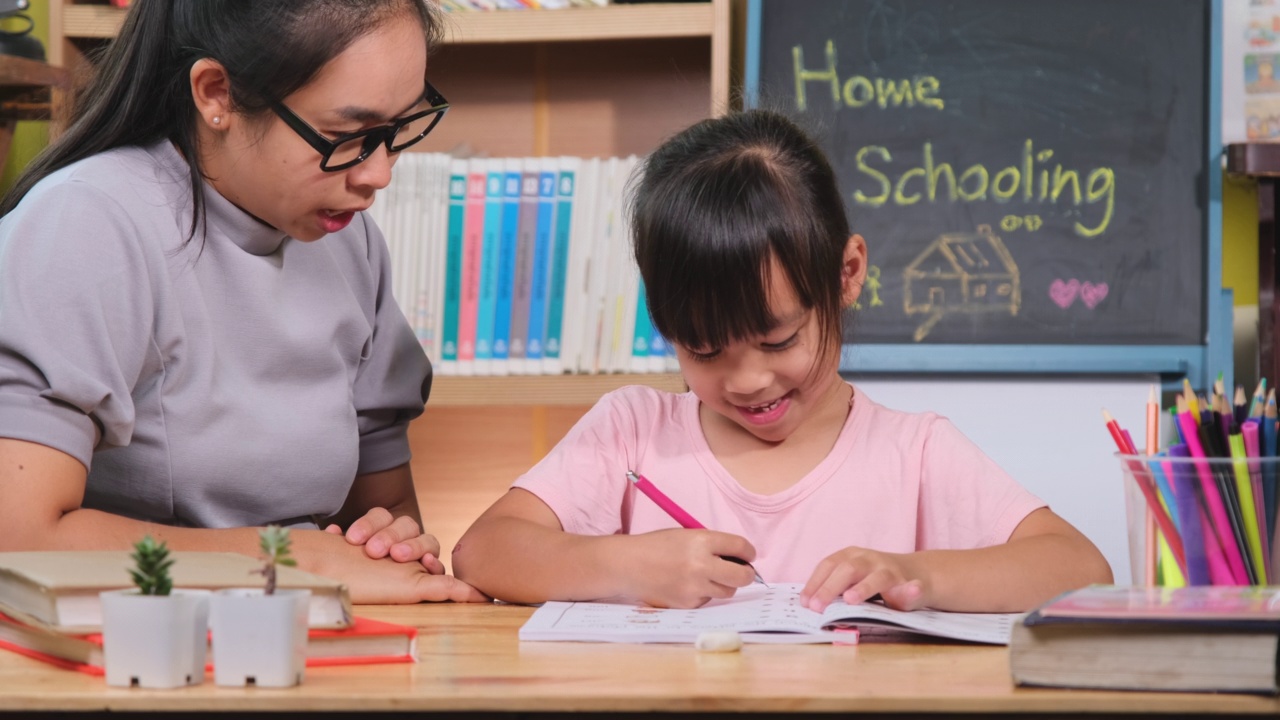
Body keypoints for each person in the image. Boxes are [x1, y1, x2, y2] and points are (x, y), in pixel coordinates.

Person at [452, 109, 1113, 611]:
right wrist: (625, 567)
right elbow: (483, 551)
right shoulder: (631, 432)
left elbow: (1081, 567)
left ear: (847, 273)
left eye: (777, 341)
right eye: (704, 349)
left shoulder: (914, 452)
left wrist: (922, 575)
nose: (746, 380)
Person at [0, 0, 485, 605]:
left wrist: (388, 546)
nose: (377, 176)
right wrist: (291, 563)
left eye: (398, 131)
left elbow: (384, 517)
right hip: (136, 647)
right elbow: (17, 538)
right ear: (216, 94)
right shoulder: (86, 223)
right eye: (346, 136)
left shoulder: (347, 240)